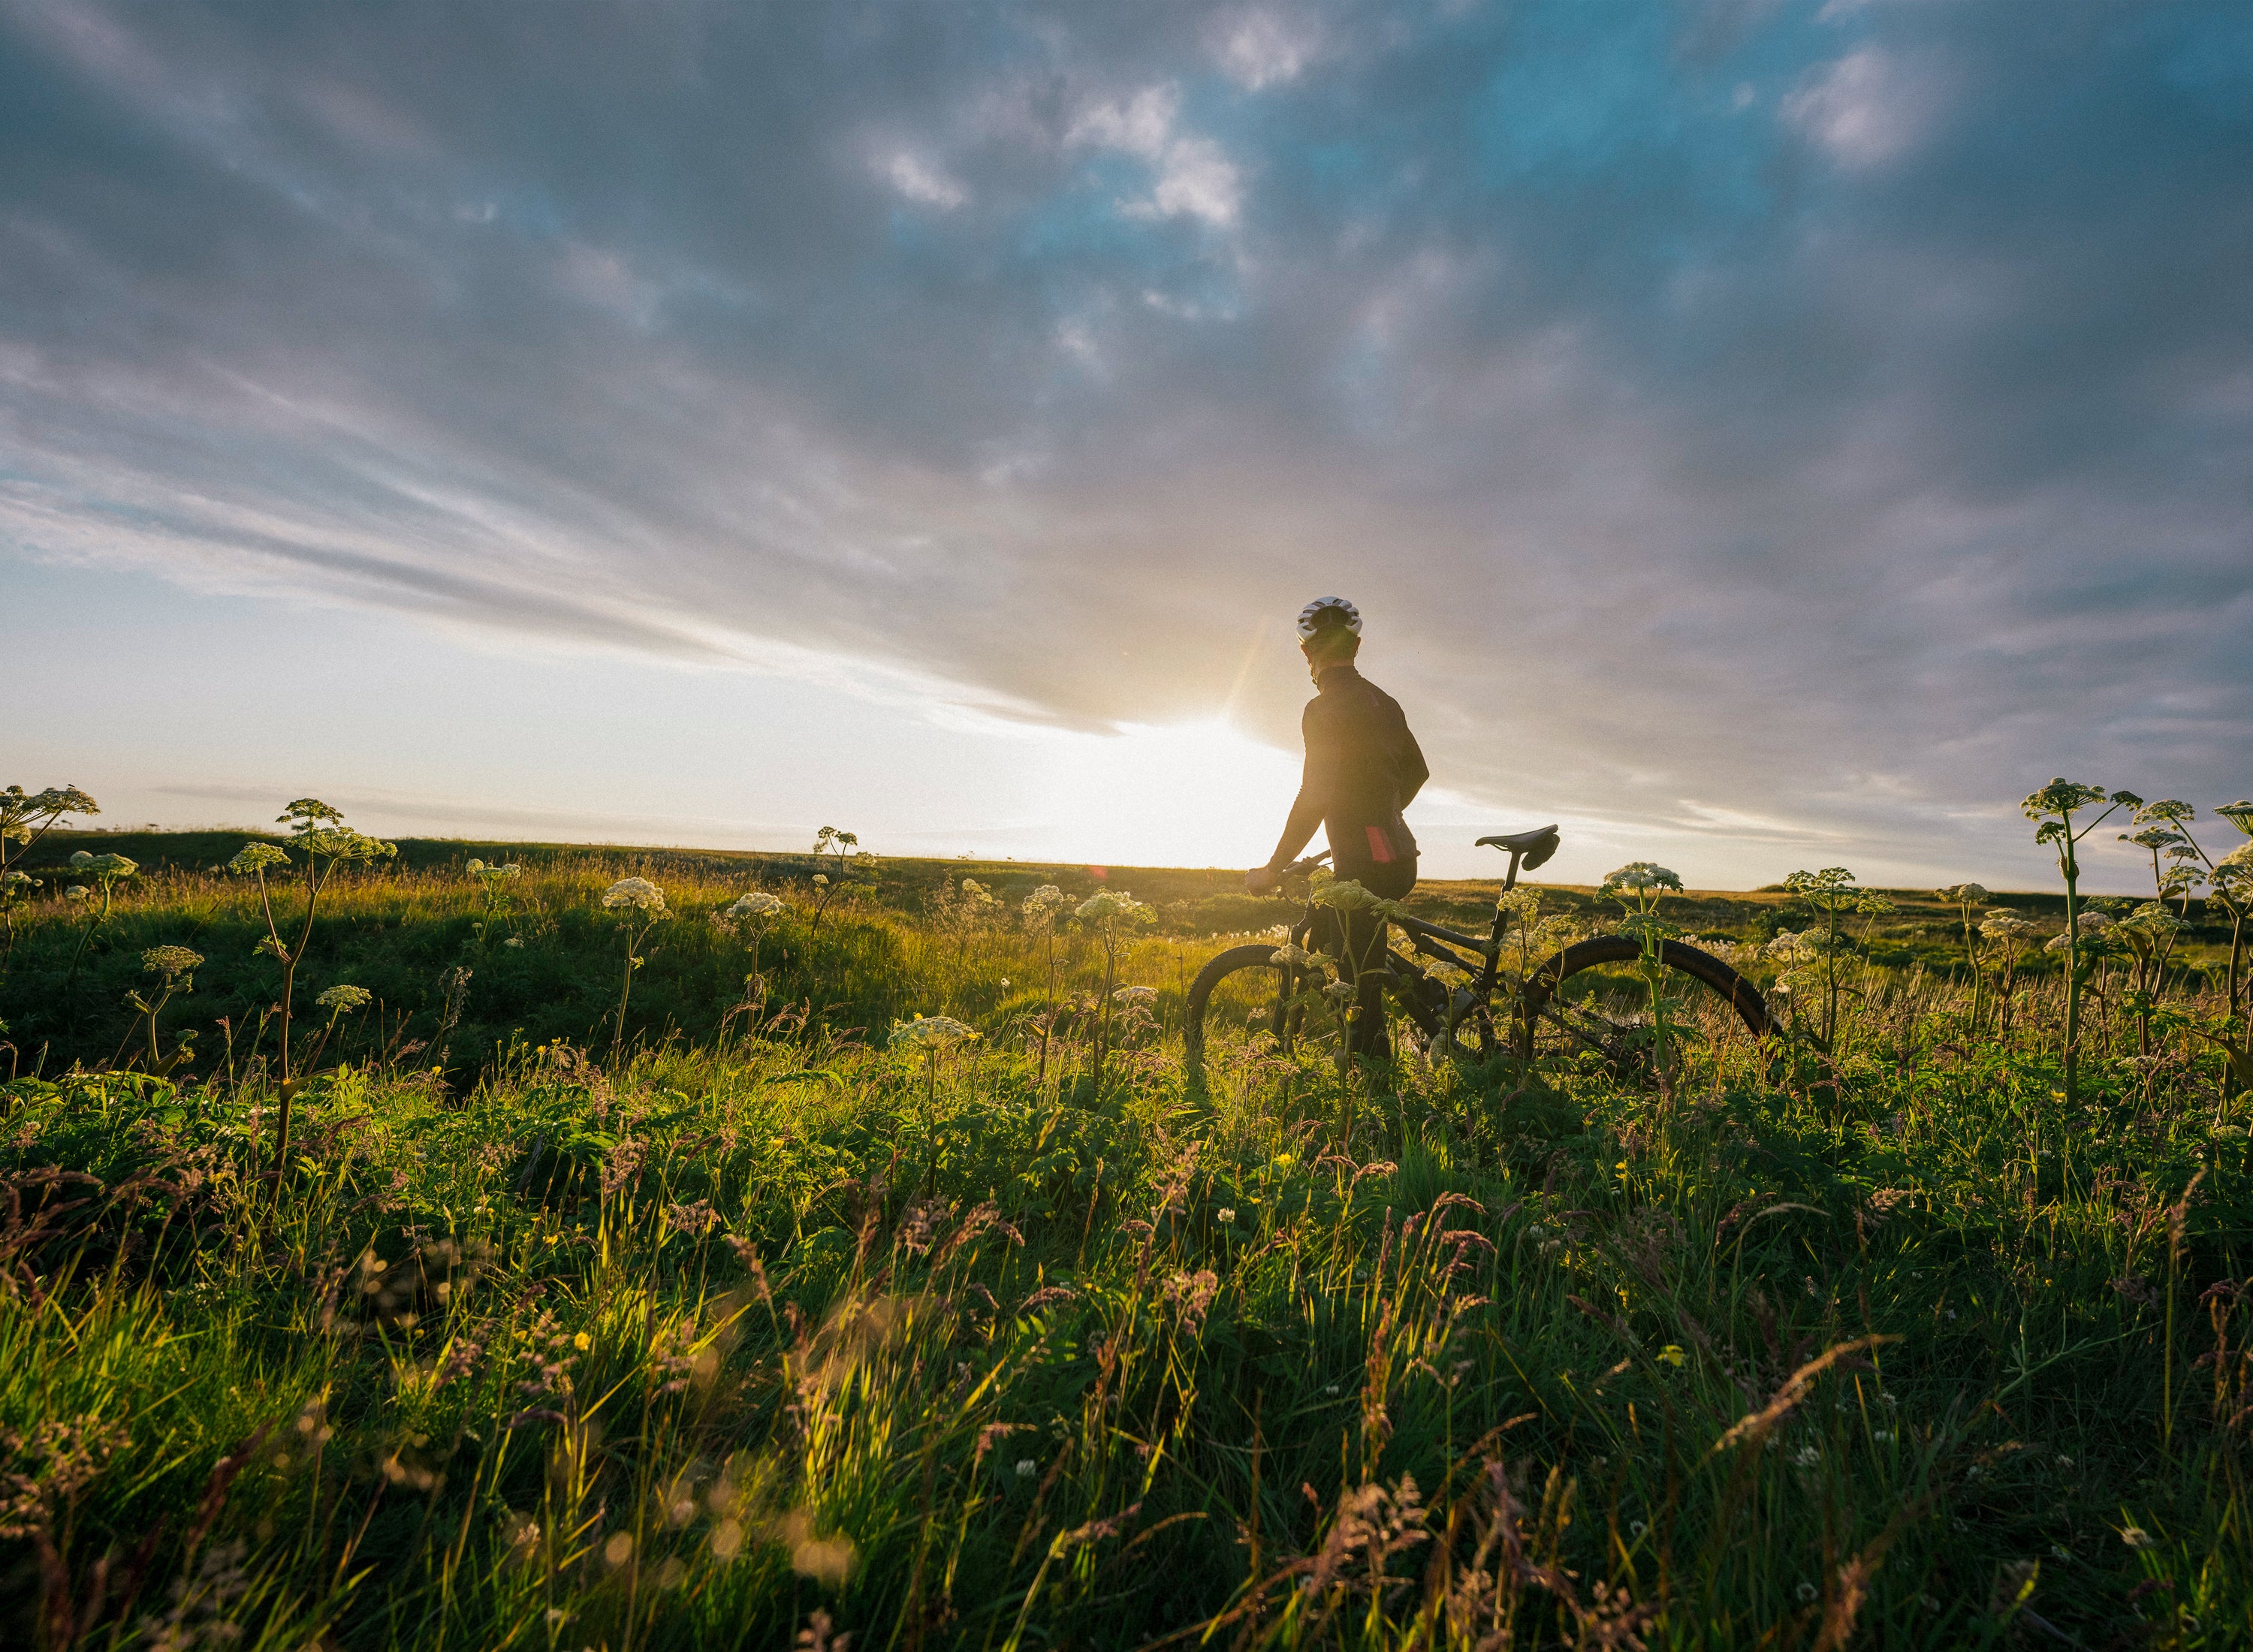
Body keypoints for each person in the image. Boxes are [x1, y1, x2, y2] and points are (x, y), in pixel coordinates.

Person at [1245, 597, 1429, 1060]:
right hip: (1398, 855)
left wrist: (1273, 868)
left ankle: (1373, 1074)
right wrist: (1383, 815)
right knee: (1351, 949)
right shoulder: (1384, 702)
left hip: (1364, 861)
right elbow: (1417, 772)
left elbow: (1315, 796)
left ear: (1307, 653)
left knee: (1358, 983)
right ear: (1357, 645)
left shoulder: (1322, 709)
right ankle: (1398, 1026)